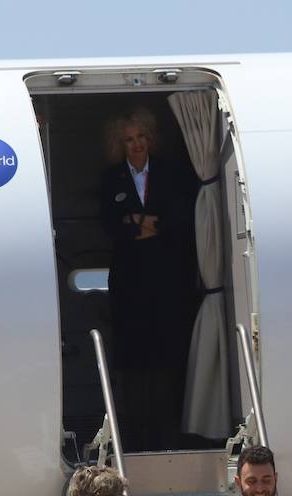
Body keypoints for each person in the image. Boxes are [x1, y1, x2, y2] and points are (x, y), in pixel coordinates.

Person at [98, 106, 198, 451]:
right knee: (133, 362)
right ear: (119, 144)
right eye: (128, 139)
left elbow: (181, 219)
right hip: (129, 285)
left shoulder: (170, 174)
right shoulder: (110, 180)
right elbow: (111, 226)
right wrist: (148, 224)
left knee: (168, 359)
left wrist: (144, 223)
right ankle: (136, 437)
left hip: (168, 282)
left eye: (141, 137)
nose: (136, 144)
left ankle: (170, 436)